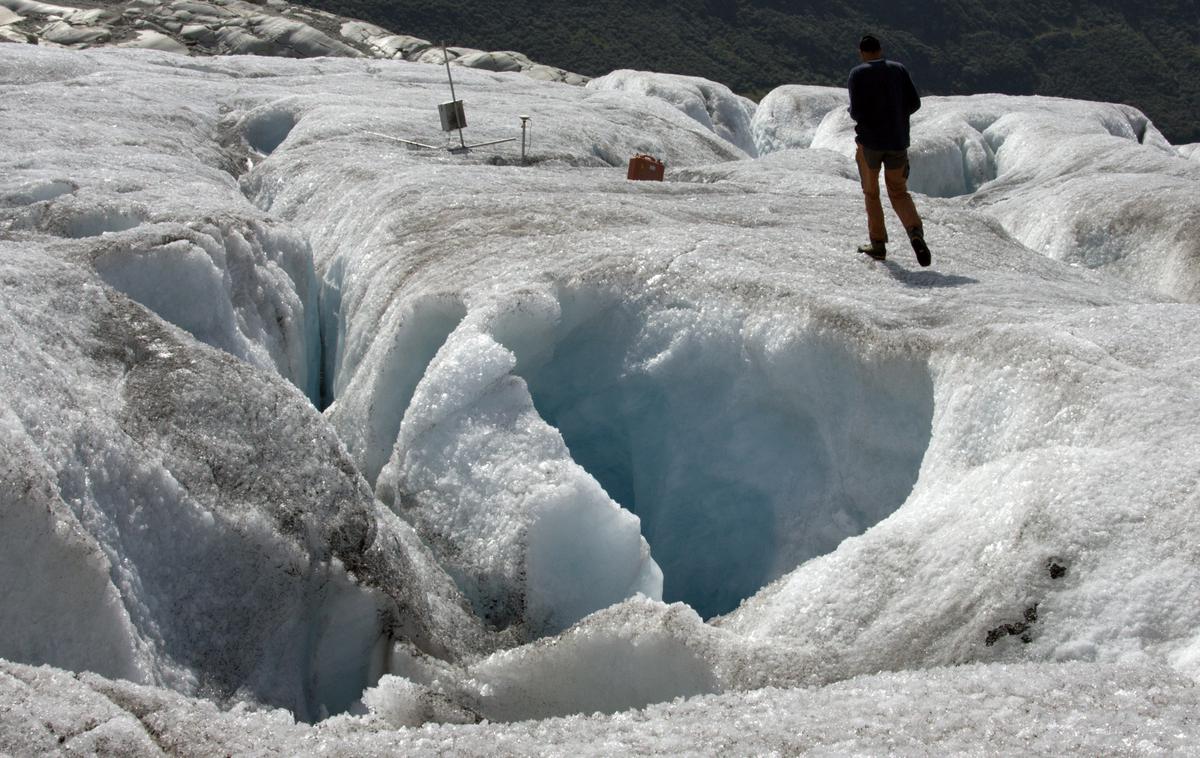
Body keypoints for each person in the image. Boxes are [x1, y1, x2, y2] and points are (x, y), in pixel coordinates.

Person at [848, 34, 931, 266]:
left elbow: (856, 112)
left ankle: (878, 245)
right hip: (897, 142)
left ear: (862, 52)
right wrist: (896, 116)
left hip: (870, 144)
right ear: (880, 50)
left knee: (872, 193)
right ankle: (914, 232)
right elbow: (914, 103)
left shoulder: (858, 74)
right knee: (898, 191)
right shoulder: (899, 70)